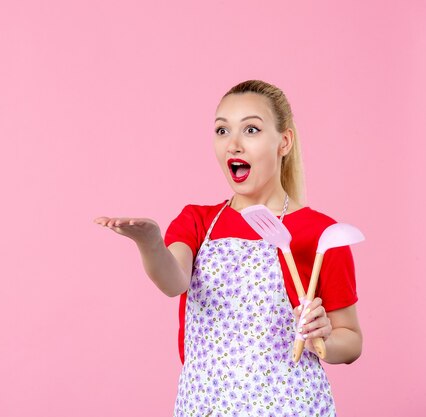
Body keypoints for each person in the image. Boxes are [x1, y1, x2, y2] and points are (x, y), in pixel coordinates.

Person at [94, 79, 362, 416]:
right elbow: (174, 280)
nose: (233, 144)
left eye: (251, 130)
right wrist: (149, 243)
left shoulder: (320, 234)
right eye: (222, 131)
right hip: (205, 407)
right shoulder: (198, 221)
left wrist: (321, 341)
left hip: (291, 408)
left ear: (284, 141)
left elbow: (351, 341)